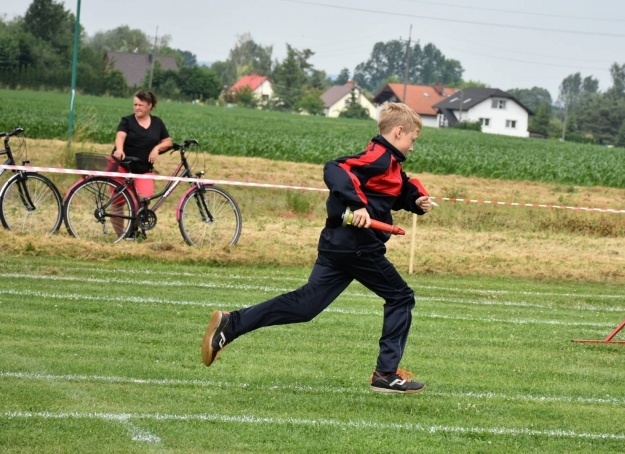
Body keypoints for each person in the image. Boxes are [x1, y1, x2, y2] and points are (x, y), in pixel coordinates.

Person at [201, 102, 434, 394]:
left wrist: (416, 201)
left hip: (339, 245)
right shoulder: (379, 157)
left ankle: (232, 323)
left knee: (305, 306)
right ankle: (386, 374)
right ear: (399, 132)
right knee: (401, 297)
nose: (413, 146)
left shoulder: (390, 163)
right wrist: (357, 205)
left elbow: (393, 190)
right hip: (358, 246)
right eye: (413, 138)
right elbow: (336, 169)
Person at [110, 89, 173, 201]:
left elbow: (168, 142)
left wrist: (157, 148)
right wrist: (119, 149)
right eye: (135, 105)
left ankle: (136, 212)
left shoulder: (157, 123)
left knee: (144, 200)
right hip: (123, 167)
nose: (137, 108)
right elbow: (120, 136)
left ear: (149, 106)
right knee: (117, 201)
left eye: (140, 105)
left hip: (144, 169)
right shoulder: (127, 121)